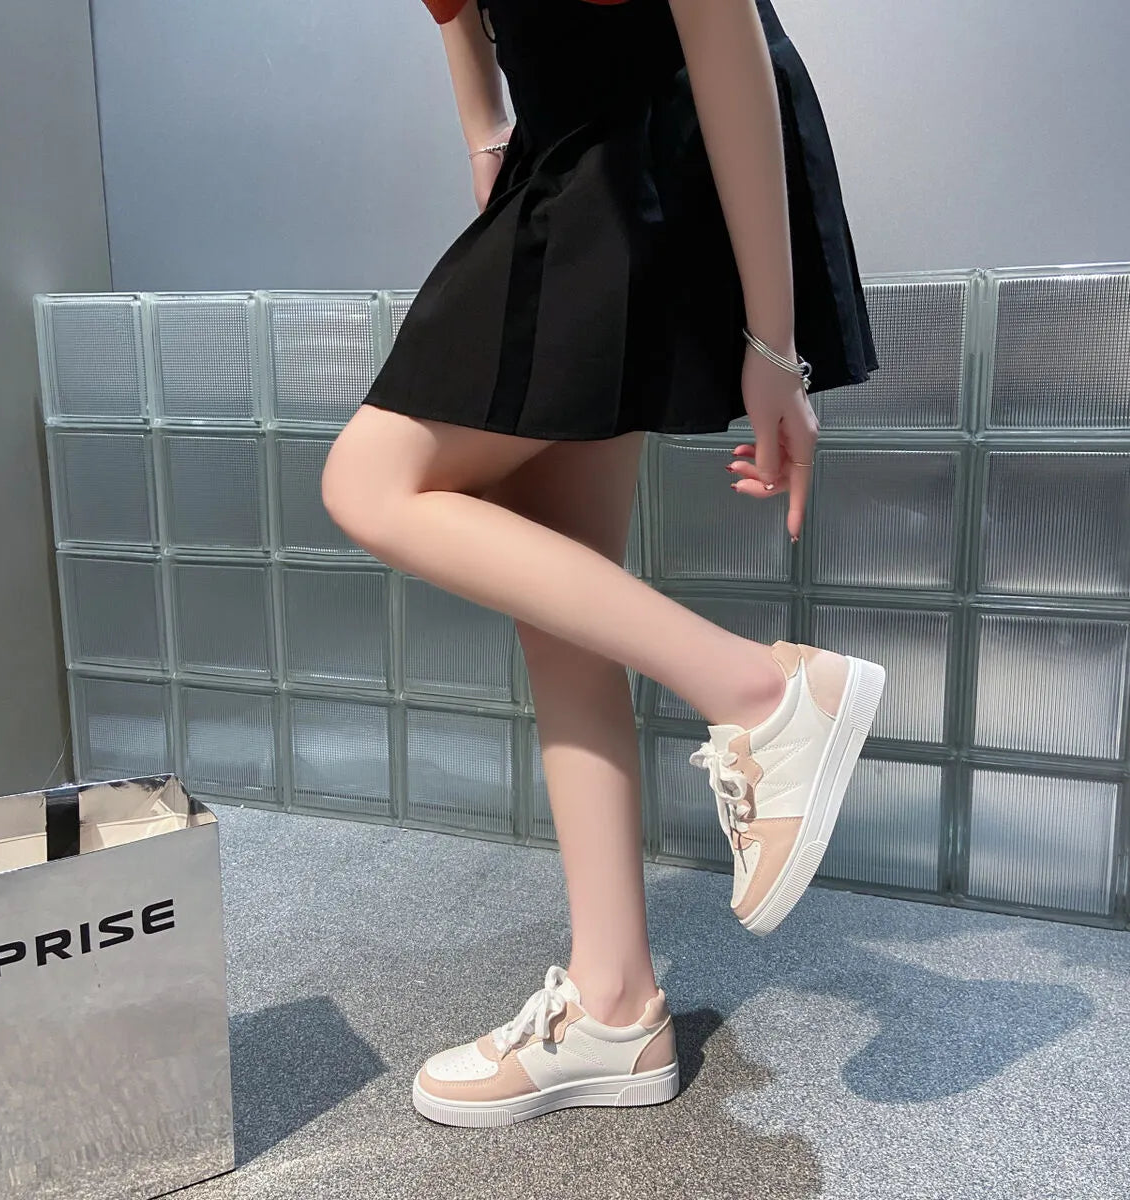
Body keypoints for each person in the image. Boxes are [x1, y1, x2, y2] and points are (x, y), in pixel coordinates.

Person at [320, 0, 885, 1127]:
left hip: (648, 144)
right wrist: (490, 143)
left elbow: (720, 26)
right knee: (561, 589)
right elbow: (457, 14)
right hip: (569, 147)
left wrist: (774, 344)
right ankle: (616, 1006)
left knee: (370, 482)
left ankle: (762, 694)